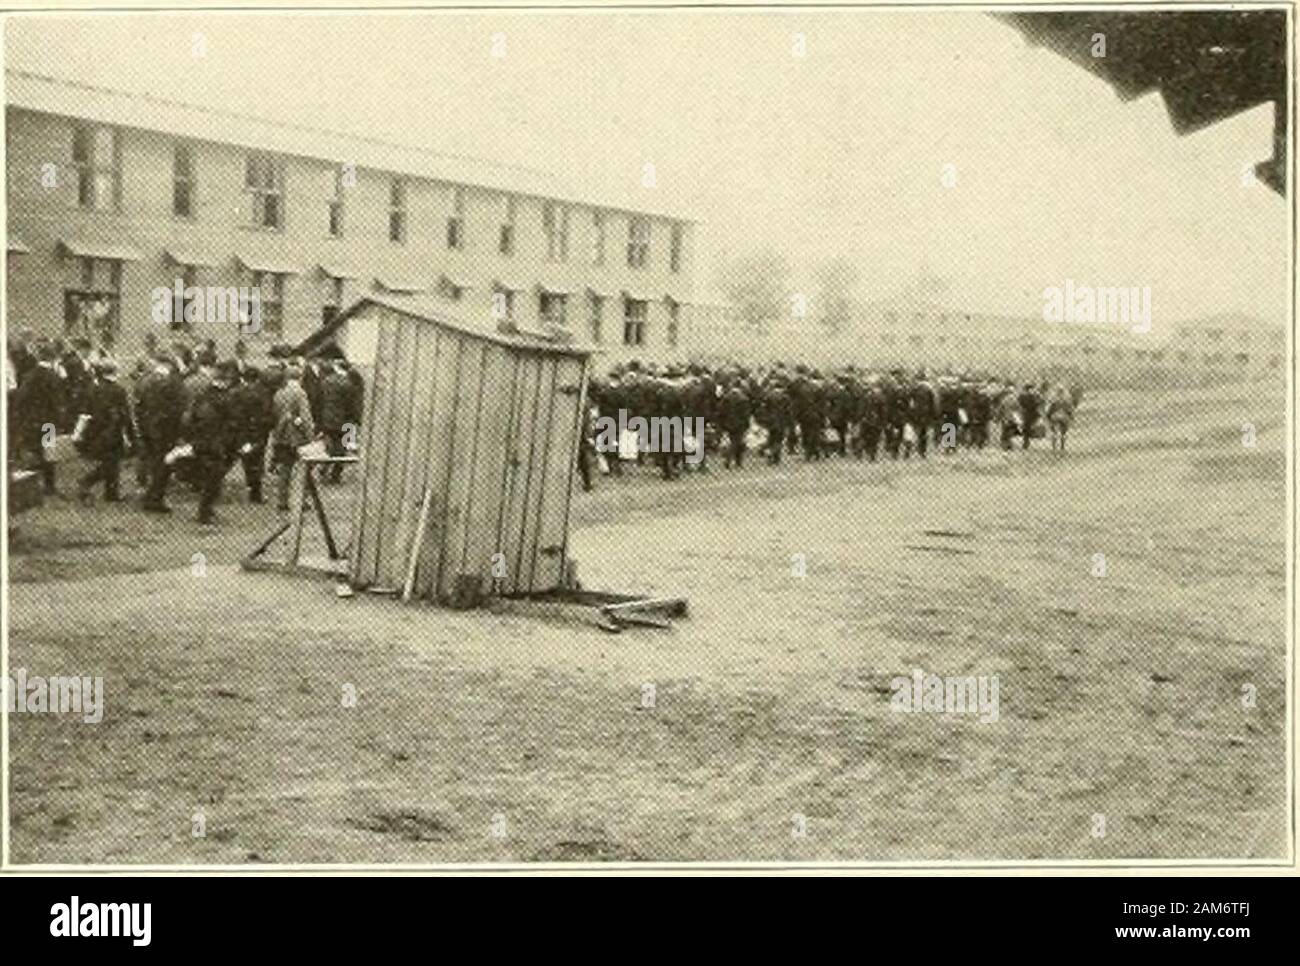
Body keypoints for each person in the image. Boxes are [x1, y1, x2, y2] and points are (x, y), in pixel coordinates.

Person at [185, 360, 237, 525]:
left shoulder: (203, 395)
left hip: (201, 441)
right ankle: (205, 513)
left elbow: (191, 418)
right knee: (214, 479)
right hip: (216, 443)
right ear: (225, 381)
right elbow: (232, 423)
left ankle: (207, 510)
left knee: (209, 477)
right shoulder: (225, 399)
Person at [76, 359, 133, 504]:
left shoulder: (93, 389)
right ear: (114, 372)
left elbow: (85, 413)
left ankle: (112, 494)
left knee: (111, 462)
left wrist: (78, 432)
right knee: (111, 463)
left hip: (95, 430)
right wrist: (129, 435)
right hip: (112, 430)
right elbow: (125, 415)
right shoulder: (119, 390)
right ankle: (86, 481)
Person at [136, 352, 186, 513]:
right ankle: (154, 498)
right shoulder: (171, 382)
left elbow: (138, 406)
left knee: (153, 461)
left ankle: (150, 495)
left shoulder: (144, 380)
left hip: (147, 428)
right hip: (165, 429)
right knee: (164, 464)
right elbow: (178, 407)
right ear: (170, 365)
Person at [14, 341, 65, 495]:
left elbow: (20, 399)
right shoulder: (54, 377)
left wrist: (25, 416)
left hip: (32, 421)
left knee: (34, 452)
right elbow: (58, 402)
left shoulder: (29, 375)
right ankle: (49, 486)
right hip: (49, 422)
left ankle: (29, 484)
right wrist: (60, 421)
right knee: (49, 453)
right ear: (52, 358)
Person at [271, 364, 316, 512]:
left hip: (281, 435)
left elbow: (275, 414)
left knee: (285, 469)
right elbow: (305, 417)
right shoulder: (300, 393)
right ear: (300, 377)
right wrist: (310, 436)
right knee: (306, 468)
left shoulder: (279, 393)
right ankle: (302, 500)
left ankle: (282, 501)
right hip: (297, 437)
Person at [1047, 384, 1075, 456]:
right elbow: (1070, 411)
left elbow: (1049, 410)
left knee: (1054, 433)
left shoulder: (1054, 400)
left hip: (1055, 417)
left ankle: (1054, 449)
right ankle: (1062, 448)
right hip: (1064, 418)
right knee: (1063, 433)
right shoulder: (1066, 400)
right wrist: (1072, 417)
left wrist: (1048, 417)